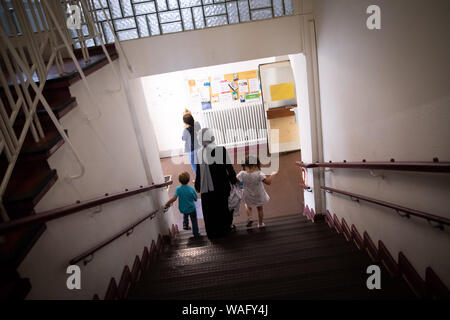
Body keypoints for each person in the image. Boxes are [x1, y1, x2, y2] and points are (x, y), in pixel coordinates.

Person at [195, 128, 237, 239]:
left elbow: (199, 172)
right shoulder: (220, 150)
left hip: (206, 188)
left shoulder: (199, 153)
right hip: (221, 185)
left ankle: (212, 233)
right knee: (223, 207)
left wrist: (198, 186)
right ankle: (225, 229)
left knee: (210, 210)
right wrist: (233, 180)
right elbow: (228, 167)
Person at [237, 155, 276, 228]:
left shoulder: (242, 174)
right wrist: (272, 175)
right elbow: (268, 182)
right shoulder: (259, 174)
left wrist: (240, 186)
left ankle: (250, 217)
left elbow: (236, 181)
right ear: (256, 164)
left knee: (247, 205)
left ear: (246, 164)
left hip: (247, 194)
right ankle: (260, 224)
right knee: (260, 209)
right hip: (258, 194)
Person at [165, 172, 200, 238]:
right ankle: (196, 234)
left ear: (179, 180)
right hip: (191, 208)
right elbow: (195, 199)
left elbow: (174, 198)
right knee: (194, 220)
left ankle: (185, 224)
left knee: (185, 215)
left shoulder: (178, 189)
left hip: (183, 208)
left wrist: (167, 203)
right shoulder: (191, 189)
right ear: (188, 180)